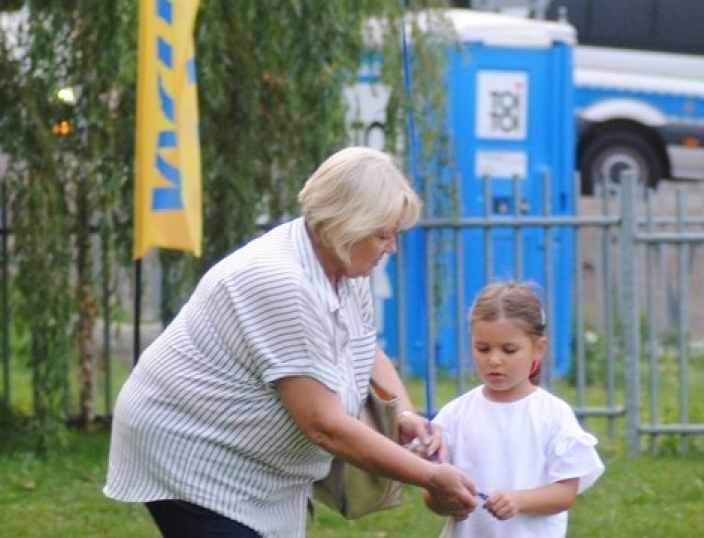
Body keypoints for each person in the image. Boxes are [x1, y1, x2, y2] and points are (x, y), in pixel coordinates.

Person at [104, 147, 480, 537]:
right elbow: (324, 426)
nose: (391, 248)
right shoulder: (283, 283)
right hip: (191, 451)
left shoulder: (344, 266)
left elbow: (364, 347)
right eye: (382, 235)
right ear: (345, 225)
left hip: (257, 462)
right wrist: (431, 476)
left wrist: (404, 414)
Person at [426, 281, 604, 537]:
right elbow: (431, 489)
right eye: (482, 348)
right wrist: (445, 501)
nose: (494, 359)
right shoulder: (453, 416)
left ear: (538, 348)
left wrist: (519, 500)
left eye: (509, 350)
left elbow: (565, 493)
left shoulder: (553, 415)